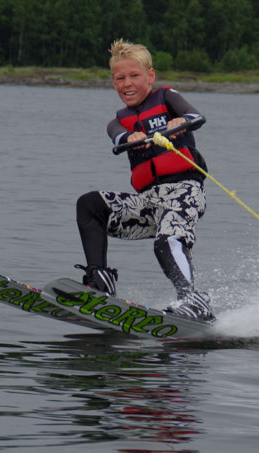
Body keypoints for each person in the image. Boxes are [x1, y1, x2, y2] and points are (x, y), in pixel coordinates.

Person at [74, 39, 215, 322]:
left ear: (150, 76)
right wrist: (130, 137)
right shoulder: (117, 122)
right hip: (149, 204)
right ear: (113, 82)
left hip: (184, 193)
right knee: (89, 204)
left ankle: (193, 300)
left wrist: (181, 122)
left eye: (134, 76)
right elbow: (119, 139)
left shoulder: (167, 98)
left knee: (166, 242)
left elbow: (195, 116)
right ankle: (100, 281)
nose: (127, 83)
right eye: (120, 78)